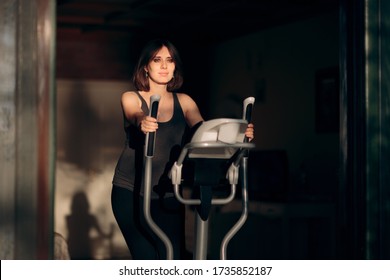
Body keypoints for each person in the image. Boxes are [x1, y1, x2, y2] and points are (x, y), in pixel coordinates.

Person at [111, 38, 254, 260]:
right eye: (157, 60)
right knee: (147, 260)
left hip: (168, 192)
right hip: (130, 190)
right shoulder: (131, 97)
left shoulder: (185, 101)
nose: (164, 66)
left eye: (169, 60)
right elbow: (134, 113)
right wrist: (143, 121)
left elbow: (206, 132)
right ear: (145, 67)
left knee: (172, 259)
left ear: (175, 66)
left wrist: (239, 133)